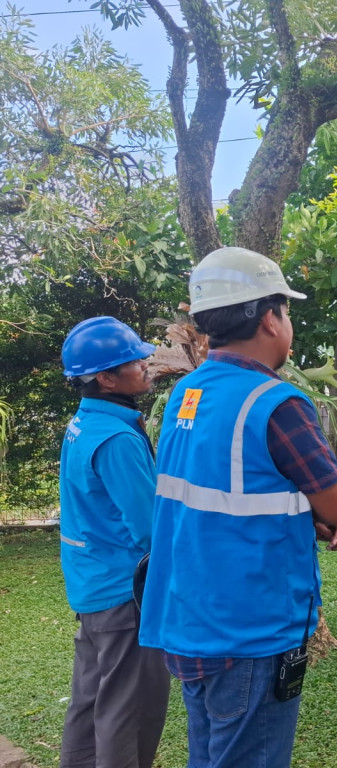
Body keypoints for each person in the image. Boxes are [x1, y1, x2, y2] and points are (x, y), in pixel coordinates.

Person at [138, 247, 337, 768]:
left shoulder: (187, 392)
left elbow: (225, 492)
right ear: (268, 317)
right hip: (250, 630)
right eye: (286, 310)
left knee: (211, 754)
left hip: (188, 617)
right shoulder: (276, 403)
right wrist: (323, 516)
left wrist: (299, 515)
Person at [58, 316, 169, 768]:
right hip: (125, 595)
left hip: (92, 585)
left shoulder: (84, 424)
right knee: (131, 710)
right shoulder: (118, 438)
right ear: (106, 378)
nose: (145, 363)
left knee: (89, 702)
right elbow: (150, 528)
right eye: (132, 360)